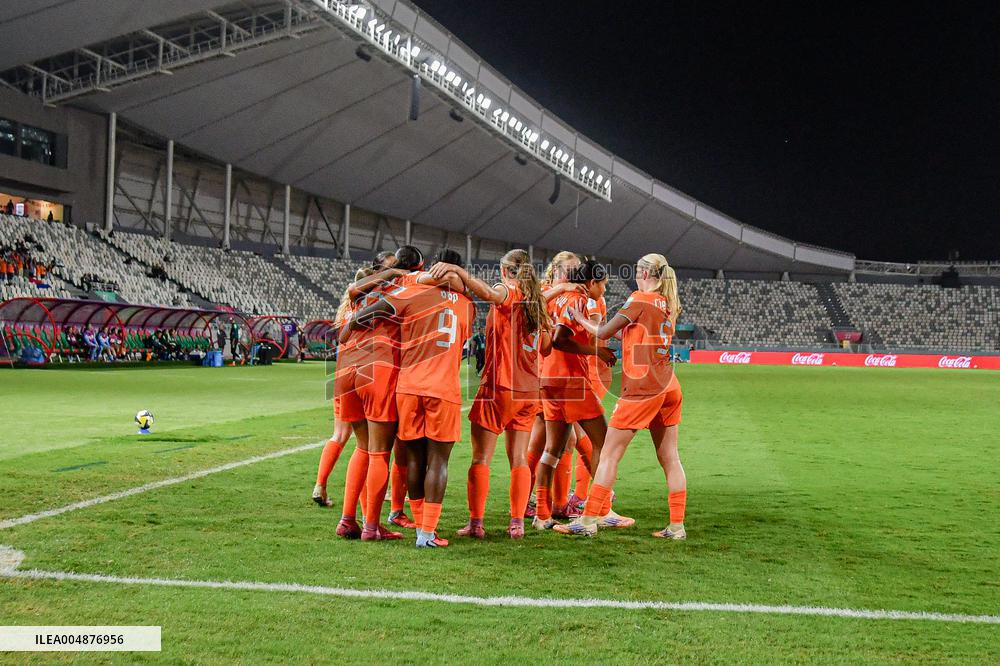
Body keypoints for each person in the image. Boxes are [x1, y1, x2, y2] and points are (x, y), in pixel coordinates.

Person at [555, 254, 687, 539]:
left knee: (608, 454)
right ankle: (677, 527)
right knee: (670, 458)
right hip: (669, 385)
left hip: (643, 388)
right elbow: (630, 333)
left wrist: (580, 318)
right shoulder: (667, 302)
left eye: (638, 271)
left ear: (647, 274)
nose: (635, 276)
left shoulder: (640, 299)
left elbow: (603, 331)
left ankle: (588, 520)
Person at [347, 249, 472, 548]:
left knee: (413, 458)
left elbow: (366, 312)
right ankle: (427, 532)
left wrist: (352, 326)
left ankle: (418, 528)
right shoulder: (468, 305)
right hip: (444, 388)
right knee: (438, 462)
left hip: (409, 385)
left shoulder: (413, 290)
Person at [432, 249, 551, 540]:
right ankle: (517, 523)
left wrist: (460, 273)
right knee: (519, 458)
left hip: (500, 387)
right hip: (528, 390)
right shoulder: (538, 303)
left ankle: (476, 523)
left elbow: (490, 294)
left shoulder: (508, 290)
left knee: (481, 458)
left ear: (505, 270)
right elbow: (547, 347)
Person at [534, 258, 627, 530]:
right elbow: (560, 340)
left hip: (549, 379)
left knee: (552, 451)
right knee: (604, 443)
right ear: (591, 282)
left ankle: (542, 515)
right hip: (571, 381)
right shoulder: (577, 299)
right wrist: (596, 351)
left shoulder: (556, 297)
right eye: (603, 285)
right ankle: (600, 510)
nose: (604, 291)